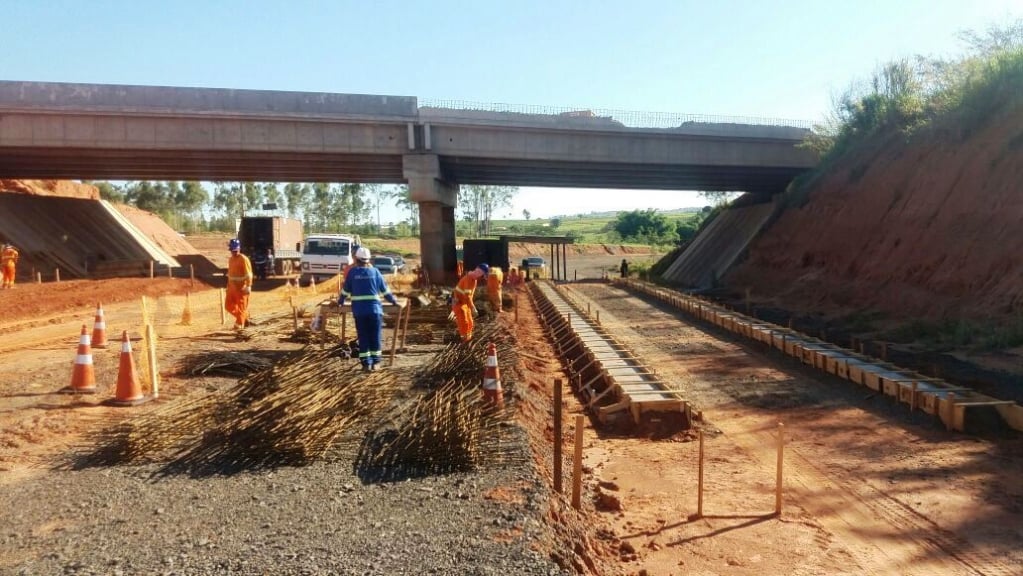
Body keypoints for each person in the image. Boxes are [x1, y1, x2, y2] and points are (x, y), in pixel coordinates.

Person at [340, 247, 404, 372]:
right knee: (375, 336)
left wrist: (339, 302)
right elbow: (385, 291)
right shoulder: (375, 272)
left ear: (357, 259)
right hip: (375, 311)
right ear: (368, 259)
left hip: (359, 312)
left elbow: (345, 291)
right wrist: (394, 302)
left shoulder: (352, 272)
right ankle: (376, 363)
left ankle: (366, 364)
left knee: (363, 337)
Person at [451, 263, 488, 343]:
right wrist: (473, 307)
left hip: (464, 303)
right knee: (464, 322)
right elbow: (467, 296)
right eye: (482, 275)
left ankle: (468, 339)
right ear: (479, 272)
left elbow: (469, 297)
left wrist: (471, 306)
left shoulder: (473, 280)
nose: (481, 277)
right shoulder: (469, 279)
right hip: (458, 303)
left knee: (470, 322)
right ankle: (464, 340)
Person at [224, 238, 253, 329]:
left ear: (239, 249)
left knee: (241, 308)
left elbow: (249, 274)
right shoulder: (231, 260)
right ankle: (244, 317)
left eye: (236, 251)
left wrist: (248, 286)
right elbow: (230, 274)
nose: (234, 253)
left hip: (242, 288)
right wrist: (228, 286)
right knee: (228, 306)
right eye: (232, 251)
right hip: (232, 288)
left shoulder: (244, 259)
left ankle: (239, 324)